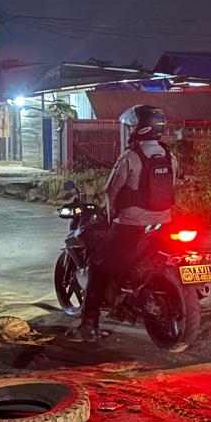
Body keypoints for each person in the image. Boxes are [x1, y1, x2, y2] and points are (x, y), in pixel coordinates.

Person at [69, 105, 176, 343]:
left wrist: (110, 217)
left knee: (99, 264)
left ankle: (89, 324)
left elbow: (111, 191)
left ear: (139, 127)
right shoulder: (170, 157)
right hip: (164, 225)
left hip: (132, 227)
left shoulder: (131, 157)